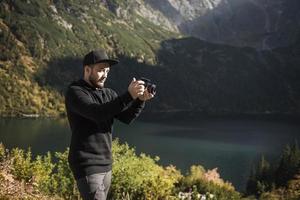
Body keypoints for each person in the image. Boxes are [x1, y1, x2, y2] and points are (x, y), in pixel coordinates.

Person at [64, 49, 154, 200]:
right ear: (87, 69)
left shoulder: (108, 93)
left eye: (107, 70)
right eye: (100, 70)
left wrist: (140, 100)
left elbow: (126, 118)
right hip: (86, 163)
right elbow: (97, 113)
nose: (105, 74)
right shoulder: (75, 92)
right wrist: (128, 95)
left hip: (105, 163)